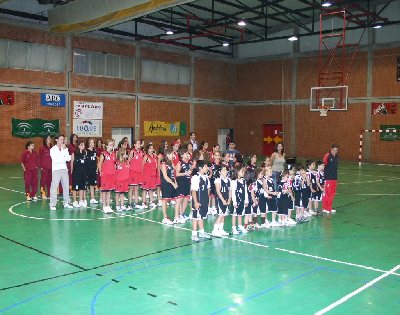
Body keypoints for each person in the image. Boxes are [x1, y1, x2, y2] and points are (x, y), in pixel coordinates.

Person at [49, 135, 72, 210]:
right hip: (56, 170)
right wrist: (63, 157)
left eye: (63, 139)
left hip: (64, 169)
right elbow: (56, 160)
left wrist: (64, 151)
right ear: (56, 140)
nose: (62, 141)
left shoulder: (65, 148)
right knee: (54, 187)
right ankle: (52, 204)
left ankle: (66, 202)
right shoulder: (52, 149)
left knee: (66, 187)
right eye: (61, 139)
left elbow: (69, 159)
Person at [190, 160, 211, 242]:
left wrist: (207, 199)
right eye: (205, 167)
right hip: (197, 201)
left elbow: (208, 189)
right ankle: (194, 234)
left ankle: (202, 232)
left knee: (201, 216)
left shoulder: (206, 177)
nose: (207, 168)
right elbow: (194, 191)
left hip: (204, 201)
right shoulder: (195, 178)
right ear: (200, 168)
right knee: (196, 217)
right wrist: (195, 202)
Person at [212, 165, 231, 237]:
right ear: (220, 172)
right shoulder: (218, 180)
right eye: (223, 170)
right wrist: (223, 200)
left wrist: (229, 199)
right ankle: (214, 230)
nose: (225, 171)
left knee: (224, 215)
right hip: (220, 200)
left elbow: (230, 190)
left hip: (226, 199)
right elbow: (218, 191)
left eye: (226, 170)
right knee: (221, 215)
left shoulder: (228, 180)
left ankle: (221, 229)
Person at [98, 140, 116, 213]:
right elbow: (99, 164)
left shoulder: (113, 154)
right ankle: (104, 206)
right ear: (107, 146)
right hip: (105, 175)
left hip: (111, 175)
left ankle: (108, 205)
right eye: (110, 145)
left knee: (109, 191)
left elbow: (114, 164)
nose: (112, 146)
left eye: (112, 145)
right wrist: (100, 172)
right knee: (104, 191)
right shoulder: (103, 154)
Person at [230, 164, 248, 235]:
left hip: (242, 200)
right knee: (235, 214)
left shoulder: (244, 181)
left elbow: (245, 191)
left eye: (244, 171)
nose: (243, 172)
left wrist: (246, 200)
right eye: (242, 171)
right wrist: (234, 202)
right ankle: (234, 228)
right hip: (236, 201)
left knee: (240, 214)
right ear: (237, 172)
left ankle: (240, 226)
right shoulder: (234, 181)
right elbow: (233, 193)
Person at [322, 144, 339, 214]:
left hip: (334, 178)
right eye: (333, 150)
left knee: (332, 194)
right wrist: (324, 176)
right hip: (328, 178)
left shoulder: (337, 157)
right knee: (327, 193)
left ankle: (329, 207)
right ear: (331, 149)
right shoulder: (327, 155)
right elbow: (323, 165)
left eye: (336, 150)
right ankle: (324, 208)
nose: (335, 152)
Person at [71, 140, 88, 208]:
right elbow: (71, 162)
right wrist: (72, 171)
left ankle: (81, 200)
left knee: (82, 187)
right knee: (75, 188)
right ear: (78, 146)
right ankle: (75, 201)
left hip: (83, 173)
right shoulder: (74, 153)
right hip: (76, 173)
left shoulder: (85, 153)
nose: (83, 146)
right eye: (82, 145)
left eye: (83, 145)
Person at [141, 143, 158, 210]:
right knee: (145, 189)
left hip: (153, 176)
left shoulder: (154, 156)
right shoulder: (146, 157)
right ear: (147, 149)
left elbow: (156, 166)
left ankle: (151, 202)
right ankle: (144, 203)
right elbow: (142, 166)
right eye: (150, 148)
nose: (151, 149)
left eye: (152, 148)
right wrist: (143, 175)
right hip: (146, 176)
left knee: (151, 189)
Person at [86, 138, 98, 205]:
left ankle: (92, 198)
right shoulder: (86, 151)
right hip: (88, 170)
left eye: (93, 142)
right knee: (87, 184)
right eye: (91, 142)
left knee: (93, 184)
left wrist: (96, 168)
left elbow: (95, 160)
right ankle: (84, 199)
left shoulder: (94, 151)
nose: (93, 144)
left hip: (93, 169)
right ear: (89, 143)